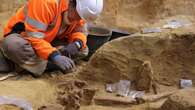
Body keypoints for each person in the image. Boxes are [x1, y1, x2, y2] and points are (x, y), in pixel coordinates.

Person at [0, 0, 103, 76]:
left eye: (81, 18)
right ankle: (21, 64)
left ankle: (26, 65)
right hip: (24, 37)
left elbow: (80, 31)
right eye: (78, 16)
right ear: (71, 3)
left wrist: (76, 44)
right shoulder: (45, 2)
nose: (78, 20)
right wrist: (54, 56)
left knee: (83, 50)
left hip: (47, 41)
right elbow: (34, 37)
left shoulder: (80, 10)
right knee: (12, 46)